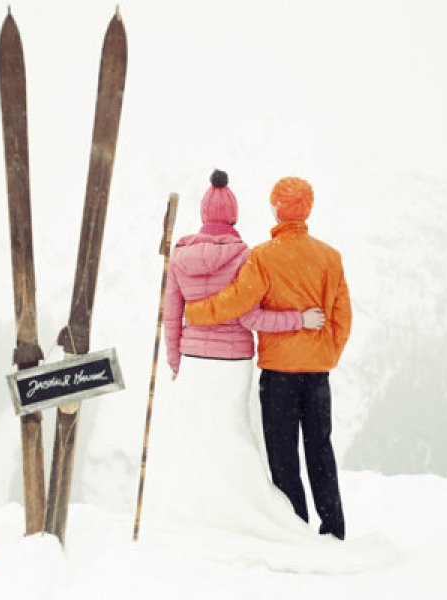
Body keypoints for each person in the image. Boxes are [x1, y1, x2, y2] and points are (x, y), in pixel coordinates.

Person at [149, 169, 326, 542]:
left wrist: (176, 362)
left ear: (202, 214)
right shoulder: (246, 256)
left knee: (200, 437)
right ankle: (251, 509)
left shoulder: (179, 255)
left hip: (195, 358)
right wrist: (300, 319)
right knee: (234, 435)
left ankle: (206, 514)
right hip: (234, 363)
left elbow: (170, 314)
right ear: (234, 216)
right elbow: (250, 315)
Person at [185, 176, 351, 540]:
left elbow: (235, 303)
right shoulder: (330, 257)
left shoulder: (263, 257)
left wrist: (194, 313)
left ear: (276, 208)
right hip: (317, 373)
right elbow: (342, 318)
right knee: (320, 450)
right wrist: (326, 354)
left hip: (279, 375)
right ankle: (334, 528)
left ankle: (297, 529)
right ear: (308, 208)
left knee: (283, 455)